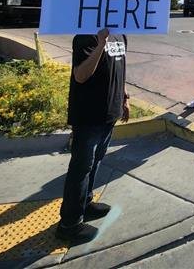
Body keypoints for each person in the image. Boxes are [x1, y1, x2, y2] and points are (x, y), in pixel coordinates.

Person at [57, 28, 129, 244]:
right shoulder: (84, 35)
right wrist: (100, 44)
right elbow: (80, 75)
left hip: (110, 112)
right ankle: (68, 225)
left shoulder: (121, 34)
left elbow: (120, 68)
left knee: (96, 162)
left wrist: (124, 97)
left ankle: (85, 204)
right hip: (89, 115)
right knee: (81, 168)